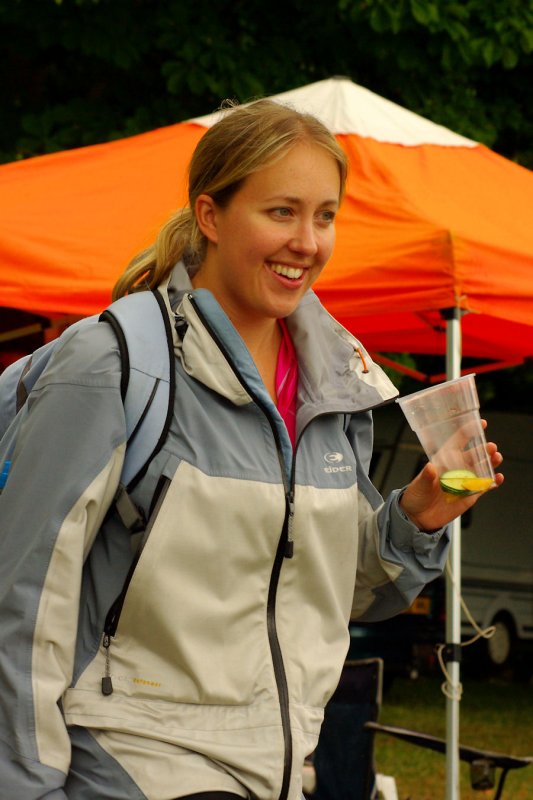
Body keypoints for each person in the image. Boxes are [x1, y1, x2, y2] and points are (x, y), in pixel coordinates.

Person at [0, 99, 503, 800]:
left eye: (324, 215)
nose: (307, 240)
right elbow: (22, 599)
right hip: (131, 766)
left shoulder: (338, 385)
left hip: (280, 771)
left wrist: (415, 516)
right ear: (210, 215)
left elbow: (326, 594)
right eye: (280, 212)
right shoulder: (112, 364)